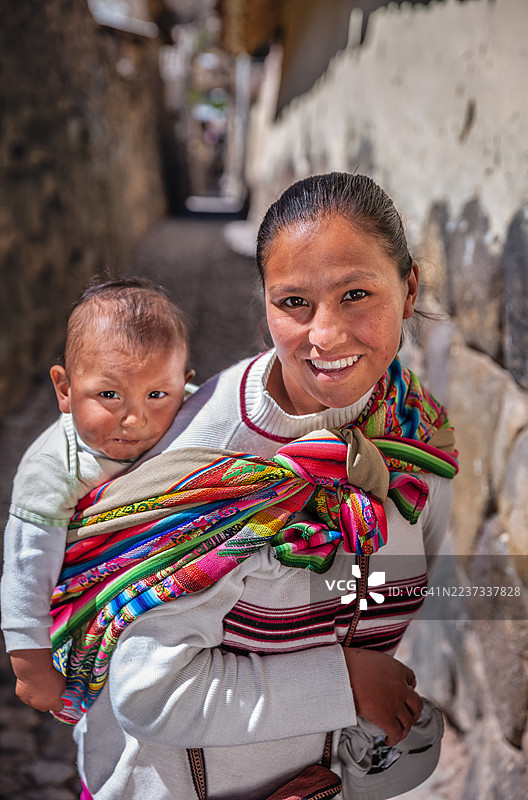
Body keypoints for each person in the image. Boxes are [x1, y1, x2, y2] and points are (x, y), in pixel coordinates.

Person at [68, 173, 457, 800]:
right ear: (266, 303)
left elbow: (379, 606)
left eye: (356, 294)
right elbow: (147, 693)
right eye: (294, 302)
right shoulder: (207, 459)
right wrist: (344, 686)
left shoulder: (417, 440)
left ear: (408, 289)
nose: (325, 335)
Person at [1, 277, 195, 716]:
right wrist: (30, 665)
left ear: (184, 386)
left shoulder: (192, 413)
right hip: (89, 623)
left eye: (157, 394)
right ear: (65, 390)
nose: (135, 419)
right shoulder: (53, 468)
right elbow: (26, 566)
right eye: (109, 395)